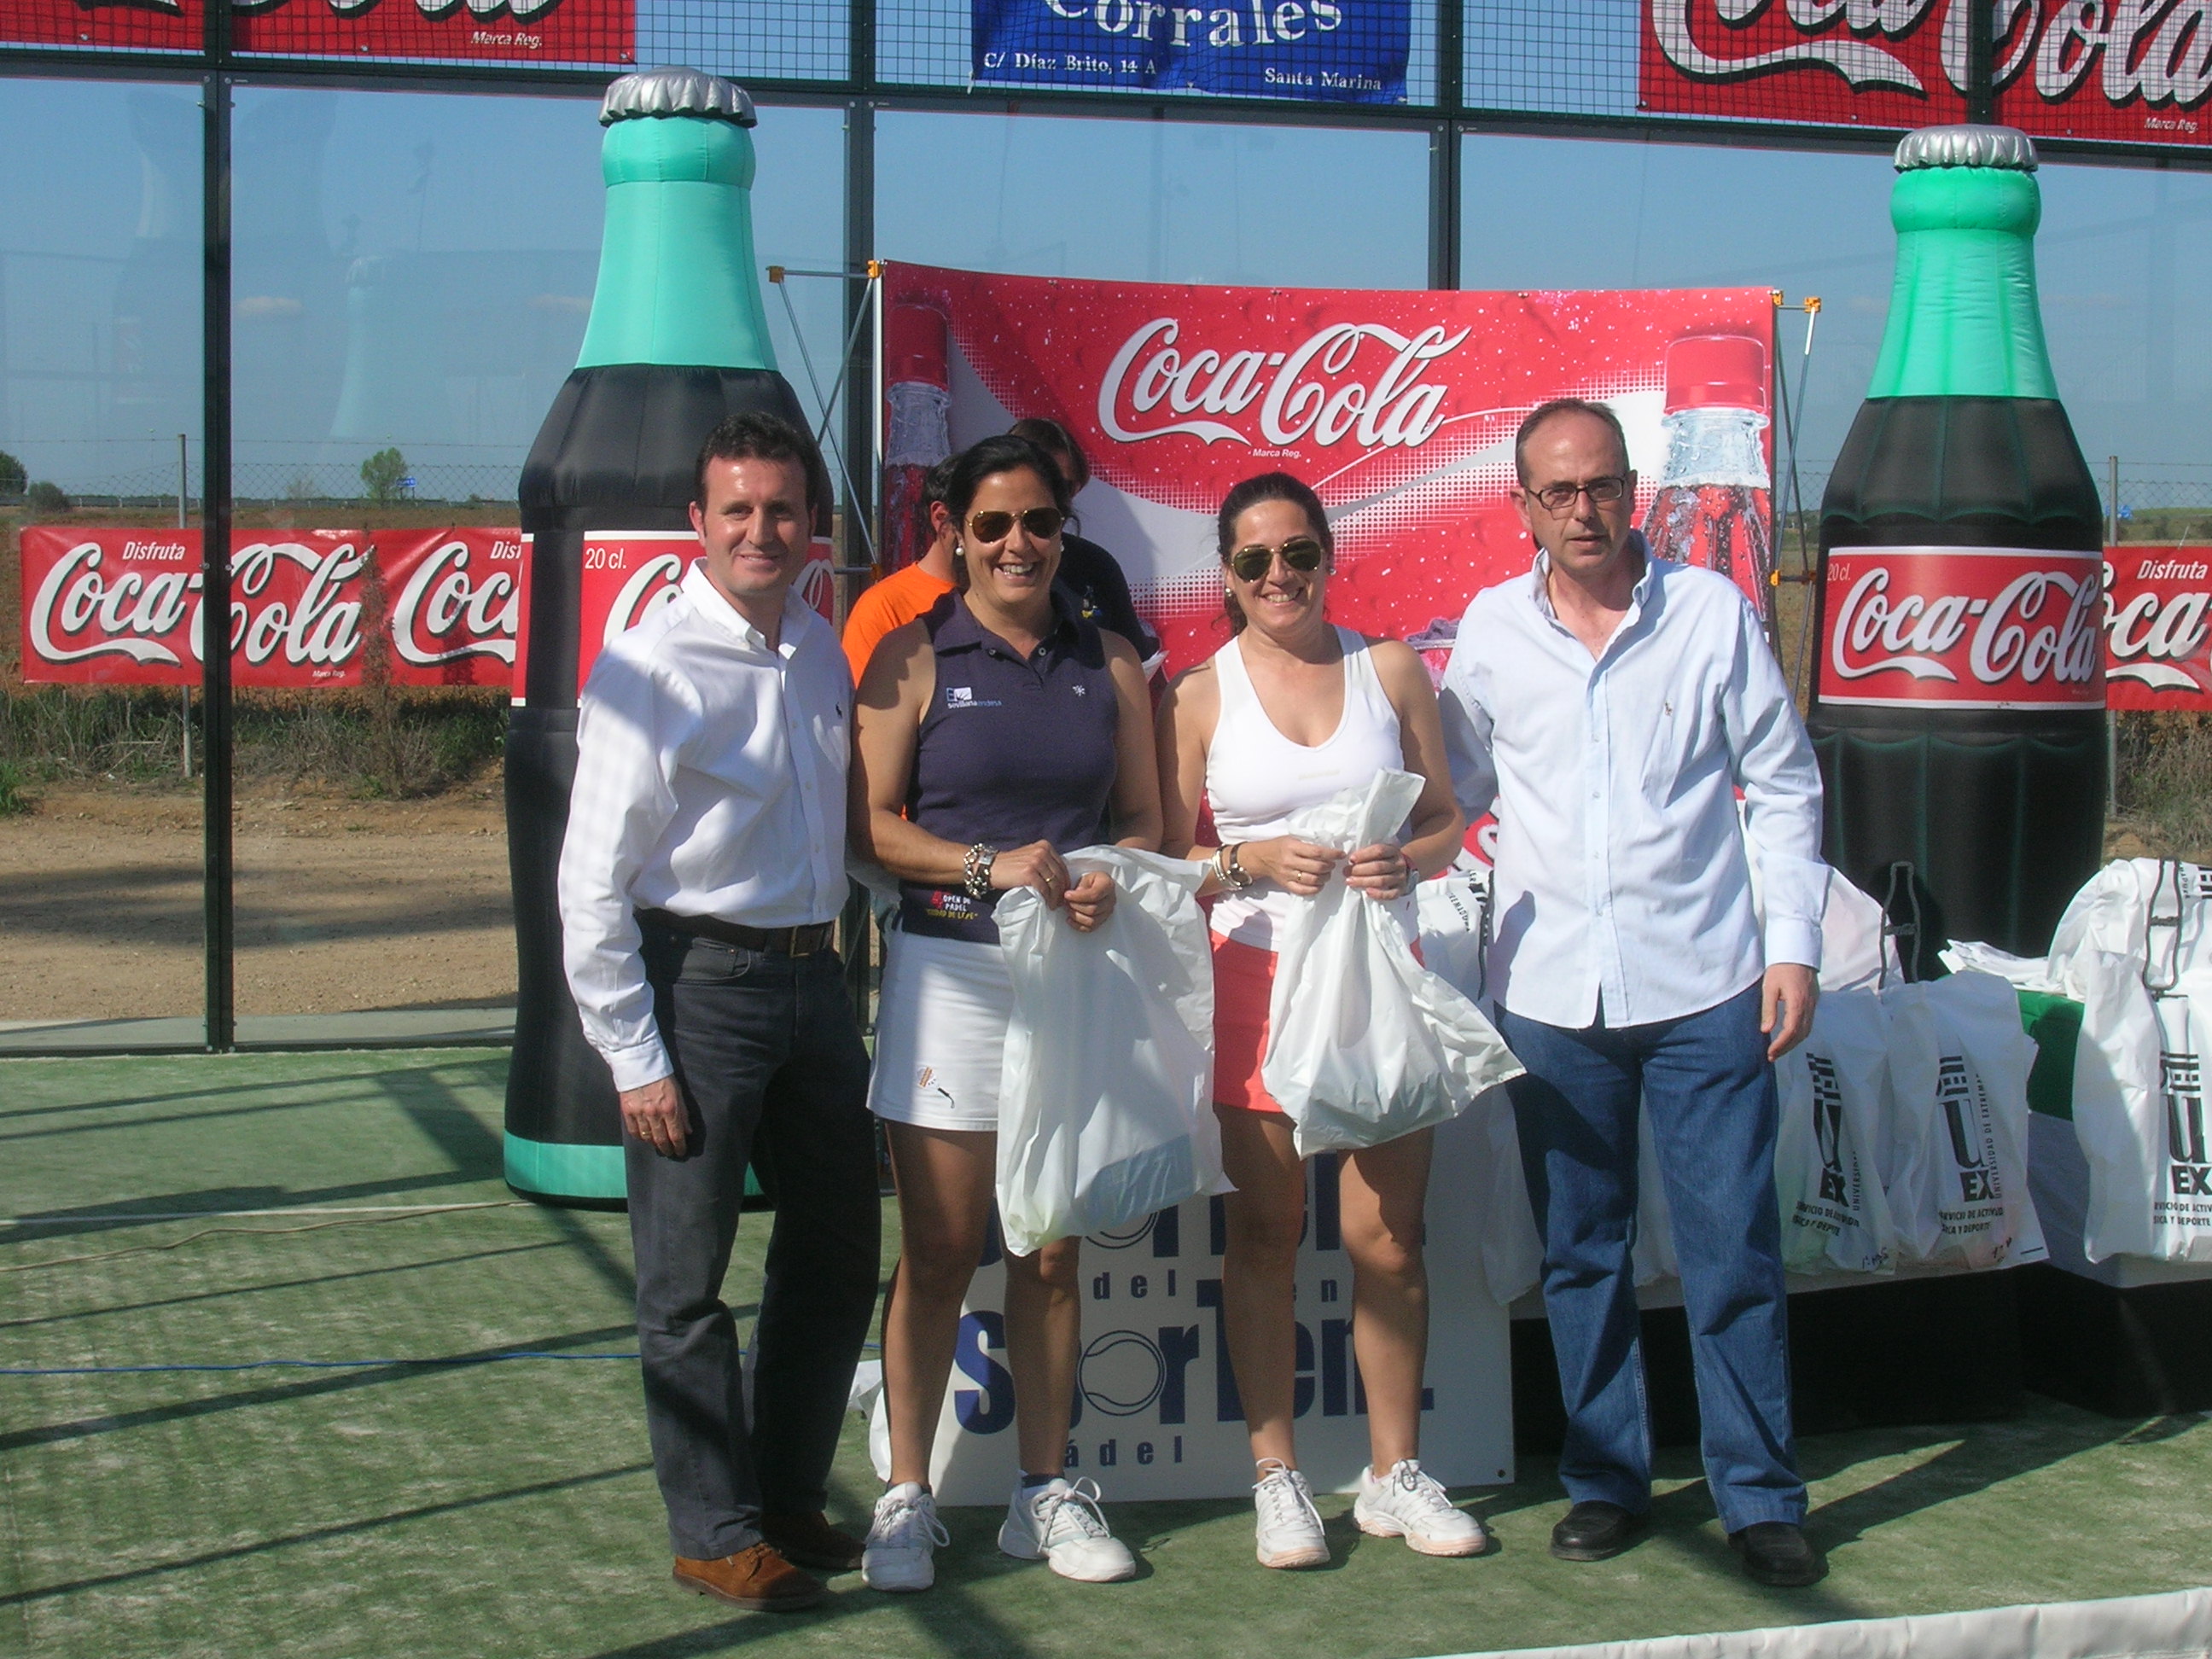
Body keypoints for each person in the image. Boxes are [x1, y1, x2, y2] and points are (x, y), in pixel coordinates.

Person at [1436, 398, 1828, 1588]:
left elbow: (1783, 783)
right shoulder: (1491, 632)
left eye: (1602, 485)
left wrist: (1794, 947)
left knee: (1732, 1254)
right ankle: (1606, 1480)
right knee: (1581, 1253)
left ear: (1633, 490)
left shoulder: (1711, 615)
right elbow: (1452, 791)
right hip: (1551, 995)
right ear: (1522, 506)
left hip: (1708, 984)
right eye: (1558, 491)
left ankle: (1758, 1498)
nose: (1584, 510)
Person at [558, 410, 881, 1615]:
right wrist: (634, 1057)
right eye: (737, 509)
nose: (761, 530)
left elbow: (842, 834)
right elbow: (589, 882)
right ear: (698, 521)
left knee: (837, 1255)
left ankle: (785, 1500)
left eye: (782, 509)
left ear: (812, 523)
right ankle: (713, 1534)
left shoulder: (820, 649)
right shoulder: (648, 667)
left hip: (815, 985)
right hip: (699, 992)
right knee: (686, 1285)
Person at [849, 433, 1163, 1593]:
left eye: (1038, 521)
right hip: (949, 979)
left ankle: (1045, 1493)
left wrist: (1108, 877)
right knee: (938, 1250)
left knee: (1050, 1247)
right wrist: (987, 866)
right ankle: (906, 1495)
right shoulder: (911, 653)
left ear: (1064, 531)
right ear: (955, 533)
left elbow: (1146, 822)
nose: (1017, 544)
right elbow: (868, 827)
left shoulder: (1111, 661)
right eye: (992, 525)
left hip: (1071, 979)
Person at [1155, 470, 1482, 1572]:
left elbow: (1445, 819)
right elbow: (1167, 858)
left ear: (1329, 555)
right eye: (1254, 561)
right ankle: (1276, 1477)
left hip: (1378, 976)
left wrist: (1409, 860)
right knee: (1266, 1234)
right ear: (1228, 575)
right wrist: (1245, 857)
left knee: (1388, 1237)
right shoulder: (1198, 695)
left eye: (1298, 553)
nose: (1279, 576)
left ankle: (1397, 1472)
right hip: (1252, 979)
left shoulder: (1389, 669)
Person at [1007, 415, 1161, 666]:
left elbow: (1136, 659)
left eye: (1064, 487)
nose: (1050, 498)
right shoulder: (980, 560)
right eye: (1041, 483)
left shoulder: (1095, 564)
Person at [844, 454, 958, 686]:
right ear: (941, 518)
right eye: (990, 523)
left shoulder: (1018, 599)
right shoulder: (884, 607)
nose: (1014, 541)